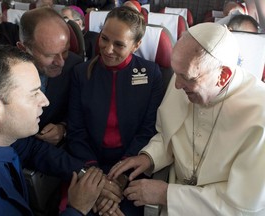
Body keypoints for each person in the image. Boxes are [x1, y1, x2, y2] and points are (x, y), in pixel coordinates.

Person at [108, 22, 265, 215]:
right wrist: (149, 157)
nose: (177, 86)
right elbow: (168, 134)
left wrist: (167, 194)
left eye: (187, 78)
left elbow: (242, 207)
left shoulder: (260, 116)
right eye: (176, 74)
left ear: (223, 76)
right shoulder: (184, 78)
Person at [0, 41, 106, 216]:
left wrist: (86, 175)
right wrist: (77, 209)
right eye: (34, 93)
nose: (45, 101)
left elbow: (34, 149)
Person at [66, 6, 164, 215]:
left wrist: (121, 176)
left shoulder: (151, 74)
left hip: (132, 166)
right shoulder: (81, 74)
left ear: (136, 45)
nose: (108, 49)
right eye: (104, 38)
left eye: (119, 44)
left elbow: (149, 130)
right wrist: (97, 178)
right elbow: (76, 132)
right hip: (88, 163)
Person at [17, 7, 83, 146]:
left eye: (65, 51)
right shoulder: (3, 73)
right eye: (49, 55)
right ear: (23, 49)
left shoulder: (74, 66)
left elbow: (79, 111)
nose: (61, 62)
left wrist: (63, 127)